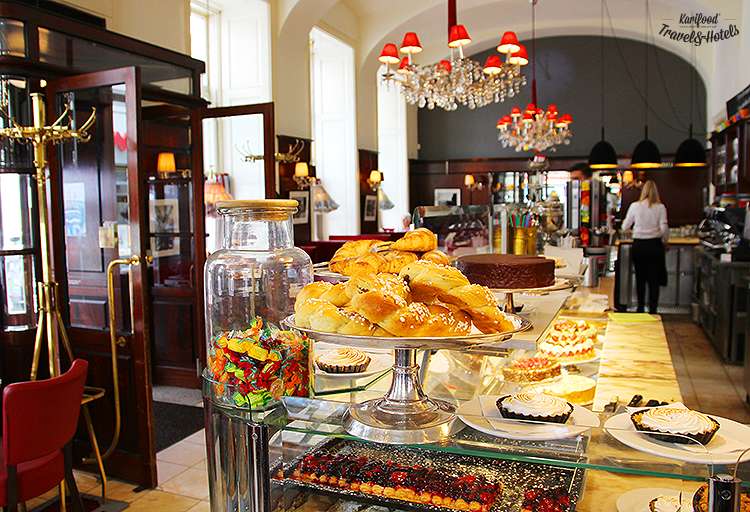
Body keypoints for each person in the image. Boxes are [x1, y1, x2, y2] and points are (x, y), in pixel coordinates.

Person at [622, 180, 668, 314]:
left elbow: (625, 226)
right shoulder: (660, 207)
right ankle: (653, 310)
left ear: (643, 191)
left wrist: (634, 231)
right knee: (654, 279)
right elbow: (664, 228)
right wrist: (665, 241)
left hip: (639, 245)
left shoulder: (635, 206)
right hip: (655, 245)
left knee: (640, 278)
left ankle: (640, 307)